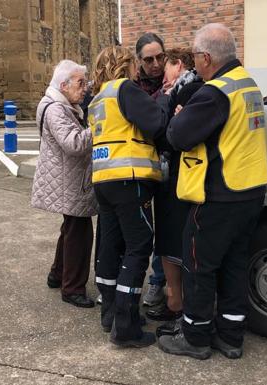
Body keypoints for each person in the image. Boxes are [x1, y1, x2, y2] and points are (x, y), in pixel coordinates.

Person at [157, 23, 267, 360]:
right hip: (249, 191)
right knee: (234, 264)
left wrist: (180, 116)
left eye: (194, 57)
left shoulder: (214, 92)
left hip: (218, 195)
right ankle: (231, 336)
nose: (193, 63)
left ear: (206, 57)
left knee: (198, 266)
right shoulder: (247, 84)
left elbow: (177, 136)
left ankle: (194, 335)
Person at [89, 46, 168, 348]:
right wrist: (166, 105)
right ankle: (126, 325)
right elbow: (157, 124)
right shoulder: (127, 90)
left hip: (104, 180)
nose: (140, 69)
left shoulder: (98, 98)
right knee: (138, 247)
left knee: (110, 246)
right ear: (126, 65)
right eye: (137, 63)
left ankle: (110, 313)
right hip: (130, 179)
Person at [31, 60, 97, 308]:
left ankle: (58, 274)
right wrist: (99, 127)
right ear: (63, 85)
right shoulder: (57, 109)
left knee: (71, 229)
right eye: (80, 83)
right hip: (68, 180)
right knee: (79, 234)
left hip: (65, 179)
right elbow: (74, 144)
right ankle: (72, 288)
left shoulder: (58, 104)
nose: (85, 88)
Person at [146, 48, 204, 326]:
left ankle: (175, 302)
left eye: (166, 66)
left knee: (171, 242)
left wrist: (168, 105)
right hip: (195, 179)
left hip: (179, 179)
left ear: (177, 65)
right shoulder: (202, 88)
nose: (163, 75)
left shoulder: (184, 91)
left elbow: (165, 134)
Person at [135, 32, 168, 307]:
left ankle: (158, 282)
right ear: (139, 61)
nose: (156, 64)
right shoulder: (133, 86)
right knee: (141, 229)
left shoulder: (179, 80)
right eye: (149, 59)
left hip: (170, 164)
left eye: (160, 57)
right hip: (141, 165)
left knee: (167, 226)